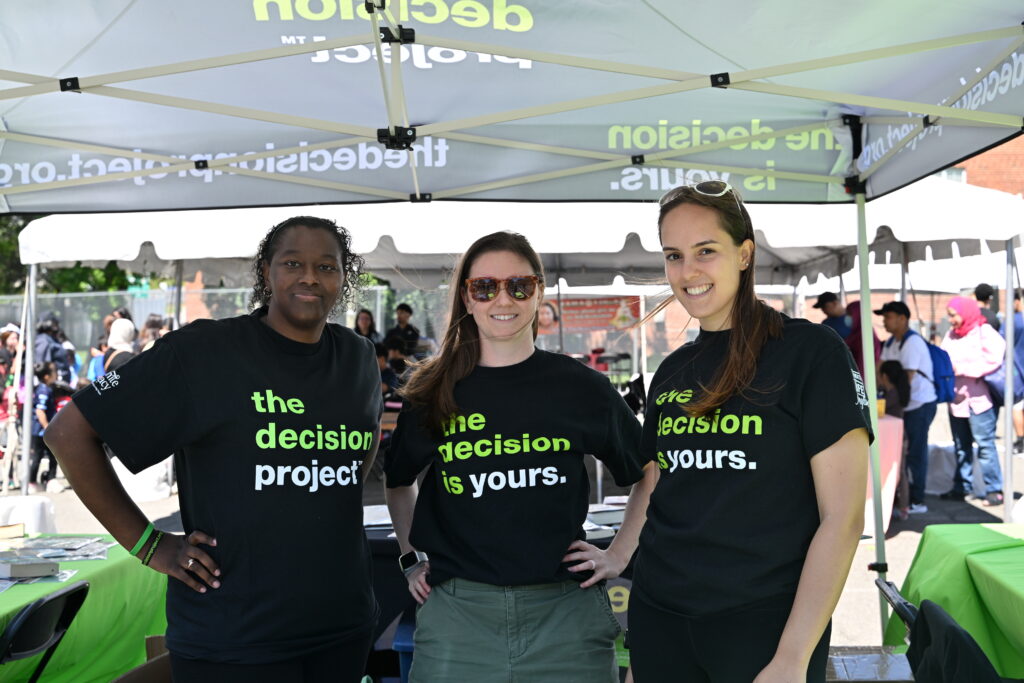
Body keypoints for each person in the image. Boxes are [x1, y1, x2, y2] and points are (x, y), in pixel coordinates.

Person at [45, 216, 382, 682]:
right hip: (234, 638)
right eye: (292, 263)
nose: (309, 276)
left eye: (327, 266)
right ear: (266, 272)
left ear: (344, 277)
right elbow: (67, 433)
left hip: (342, 625)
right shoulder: (203, 353)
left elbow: (357, 455)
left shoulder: (358, 357)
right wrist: (149, 545)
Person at [627, 181, 870, 683]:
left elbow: (843, 519)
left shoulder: (811, 353)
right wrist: (616, 555)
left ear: (744, 254)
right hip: (660, 617)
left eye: (705, 251)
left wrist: (793, 657)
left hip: (764, 624)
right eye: (674, 255)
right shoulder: (672, 370)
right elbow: (654, 481)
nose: (687, 271)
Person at [383, 231, 645, 683]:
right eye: (484, 287)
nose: (502, 298)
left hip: (565, 616)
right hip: (459, 619)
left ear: (539, 291)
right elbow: (397, 480)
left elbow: (649, 469)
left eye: (518, 285)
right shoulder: (433, 390)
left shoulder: (579, 387)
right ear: (466, 296)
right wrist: (410, 558)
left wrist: (619, 553)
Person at [940, 296, 1005, 507]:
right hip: (957, 401)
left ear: (965, 312)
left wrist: (965, 369)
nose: (951, 320)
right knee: (961, 446)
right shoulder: (951, 335)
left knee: (985, 446)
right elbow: (943, 357)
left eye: (954, 315)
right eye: (949, 316)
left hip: (980, 400)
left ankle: (994, 489)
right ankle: (961, 487)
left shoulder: (983, 331)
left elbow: (996, 357)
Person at [875, 301, 937, 515]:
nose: (884, 321)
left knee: (914, 453)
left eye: (888, 316)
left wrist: (886, 400)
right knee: (900, 454)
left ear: (903, 318)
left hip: (918, 404)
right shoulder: (891, 341)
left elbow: (906, 381)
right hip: (902, 406)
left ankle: (917, 500)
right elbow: (879, 369)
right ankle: (902, 498)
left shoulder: (912, 343)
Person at [878, 360, 911, 520]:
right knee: (900, 471)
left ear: (885, 376)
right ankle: (902, 506)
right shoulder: (895, 392)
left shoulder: (891, 395)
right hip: (899, 437)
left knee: (898, 471)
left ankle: (902, 506)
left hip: (893, 438)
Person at [29, 361, 58, 491]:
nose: (56, 374)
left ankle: (38, 481)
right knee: (45, 456)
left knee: (42, 456)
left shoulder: (41, 388)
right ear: (46, 376)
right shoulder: (44, 390)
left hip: (39, 430)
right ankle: (41, 481)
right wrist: (47, 427)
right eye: (53, 372)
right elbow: (40, 410)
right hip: (41, 431)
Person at [843, 300, 880, 380]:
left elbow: (863, 367)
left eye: (850, 314)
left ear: (858, 315)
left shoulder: (865, 338)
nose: (847, 317)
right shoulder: (855, 335)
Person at [1006, 289, 1024, 454]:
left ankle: (1020, 441)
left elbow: (1002, 342)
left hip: (1017, 371)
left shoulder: (1013, 321)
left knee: (1016, 406)